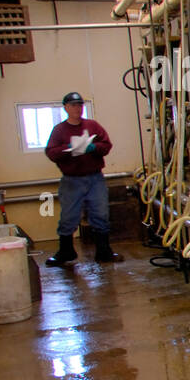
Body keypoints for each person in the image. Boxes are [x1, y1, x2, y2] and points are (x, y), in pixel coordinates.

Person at [43, 92, 122, 265]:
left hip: (95, 178)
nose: (77, 108)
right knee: (69, 216)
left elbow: (106, 145)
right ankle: (66, 252)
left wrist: (93, 147)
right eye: (73, 105)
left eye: (80, 105)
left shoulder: (92, 126)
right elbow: (51, 152)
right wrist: (69, 148)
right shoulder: (59, 130)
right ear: (65, 108)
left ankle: (104, 251)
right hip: (72, 180)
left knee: (100, 213)